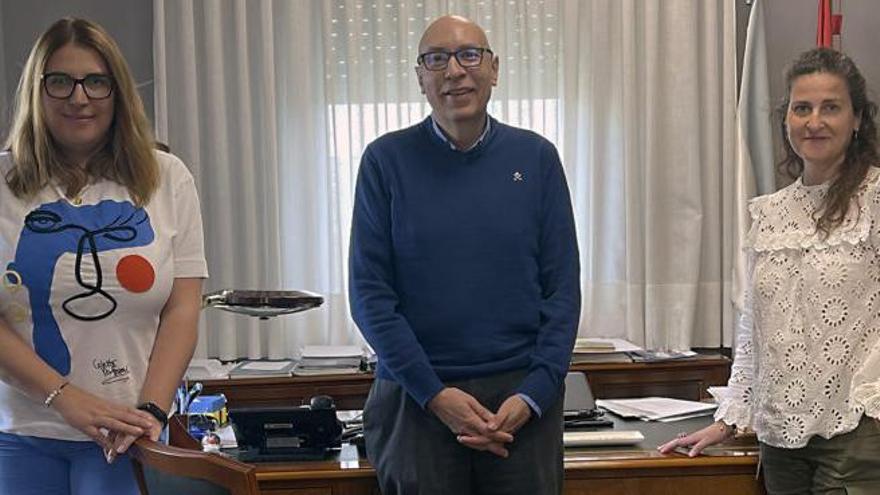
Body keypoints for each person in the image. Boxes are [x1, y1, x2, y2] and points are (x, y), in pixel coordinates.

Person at [348, 15, 580, 495]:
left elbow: (562, 290)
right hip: (417, 399)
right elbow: (369, 295)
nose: (454, 71)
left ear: (494, 69)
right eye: (437, 59)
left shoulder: (536, 158)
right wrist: (435, 395)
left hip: (521, 404)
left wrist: (534, 393)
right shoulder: (384, 162)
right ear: (420, 77)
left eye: (469, 55)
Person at [0, 17, 207, 494]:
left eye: (96, 81)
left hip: (127, 435)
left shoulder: (167, 177)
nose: (79, 97)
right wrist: (64, 398)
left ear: (117, 91)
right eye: (61, 81)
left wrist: (150, 411)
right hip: (19, 433)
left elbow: (182, 307)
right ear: (37, 90)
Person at [660, 47, 880, 493]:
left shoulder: (875, 200)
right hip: (779, 438)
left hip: (855, 432)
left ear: (857, 119)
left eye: (830, 107)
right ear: (787, 120)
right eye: (802, 108)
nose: (814, 121)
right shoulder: (770, 213)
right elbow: (754, 329)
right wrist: (728, 420)